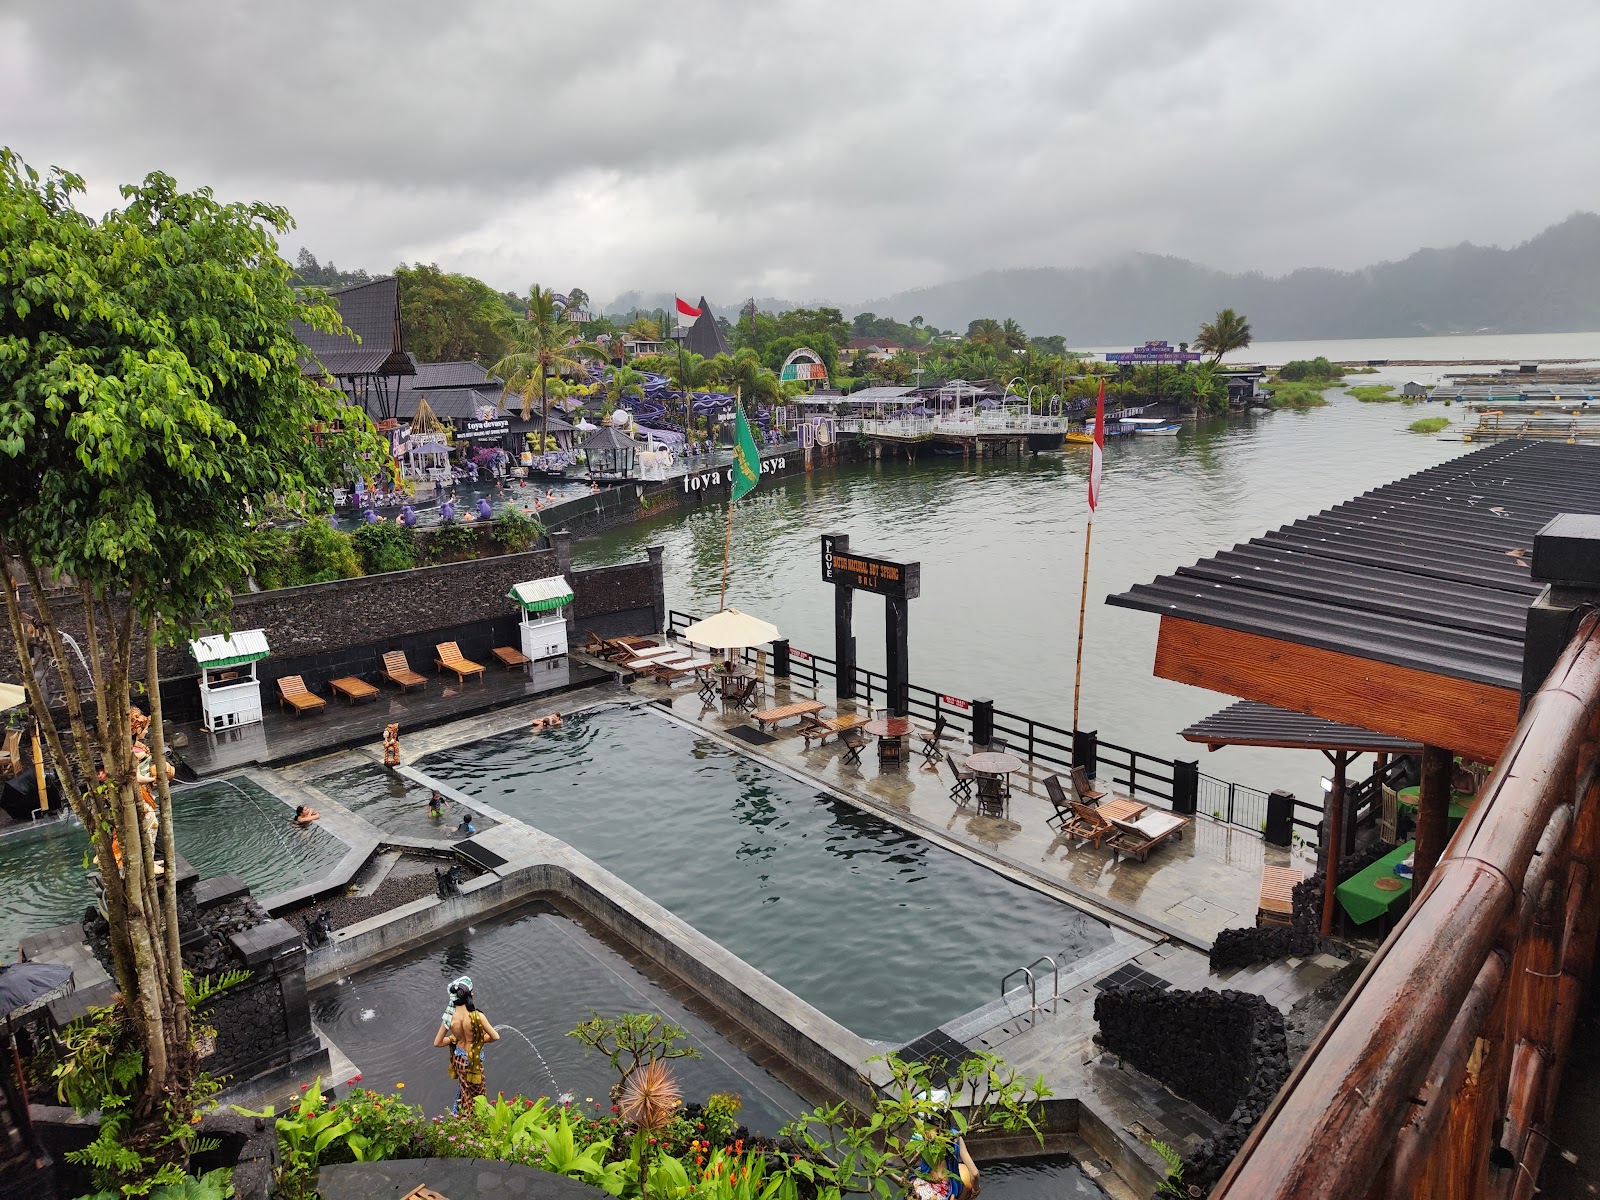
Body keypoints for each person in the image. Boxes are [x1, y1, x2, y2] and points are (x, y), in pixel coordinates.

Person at [433, 977, 499, 1114]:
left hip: (459, 1060)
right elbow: (495, 1036)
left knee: (465, 1093)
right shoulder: (477, 1016)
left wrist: (454, 1038)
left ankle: (461, 1120)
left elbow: (437, 1043)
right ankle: (474, 1125)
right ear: (470, 994)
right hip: (472, 1062)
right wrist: (481, 1039)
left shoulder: (450, 1018)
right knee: (479, 1097)